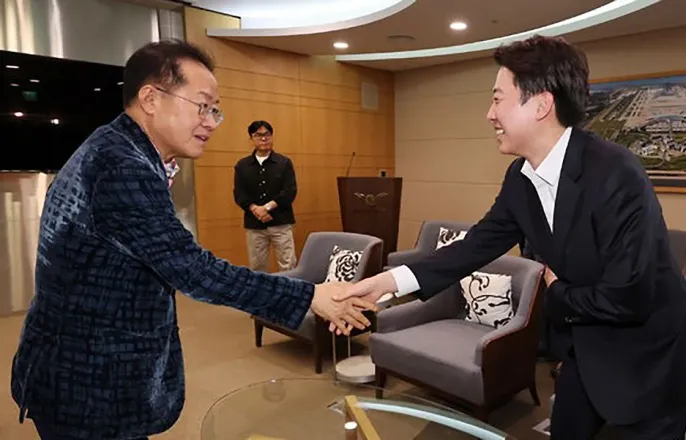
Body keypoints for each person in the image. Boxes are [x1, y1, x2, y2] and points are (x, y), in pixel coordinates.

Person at [10, 39, 375, 440]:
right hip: (89, 384)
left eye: (215, 110)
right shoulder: (121, 166)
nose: (212, 122)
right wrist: (309, 296)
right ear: (151, 98)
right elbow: (193, 269)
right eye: (202, 106)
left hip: (84, 371)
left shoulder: (118, 147)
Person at [336, 35, 686, 439]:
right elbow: (475, 245)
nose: (489, 114)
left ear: (541, 105)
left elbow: (629, 297)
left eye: (498, 99)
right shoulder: (520, 178)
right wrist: (387, 282)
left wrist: (555, 291)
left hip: (649, 358)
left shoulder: (615, 173)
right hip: (584, 348)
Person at [234, 121, 298, 272]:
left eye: (267, 134)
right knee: (257, 267)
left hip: (281, 222)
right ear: (251, 138)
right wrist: (255, 209)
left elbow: (289, 191)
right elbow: (239, 194)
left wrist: (267, 208)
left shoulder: (284, 162)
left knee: (288, 265)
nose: (264, 139)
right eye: (258, 135)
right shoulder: (242, 165)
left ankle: (288, 289)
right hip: (254, 224)